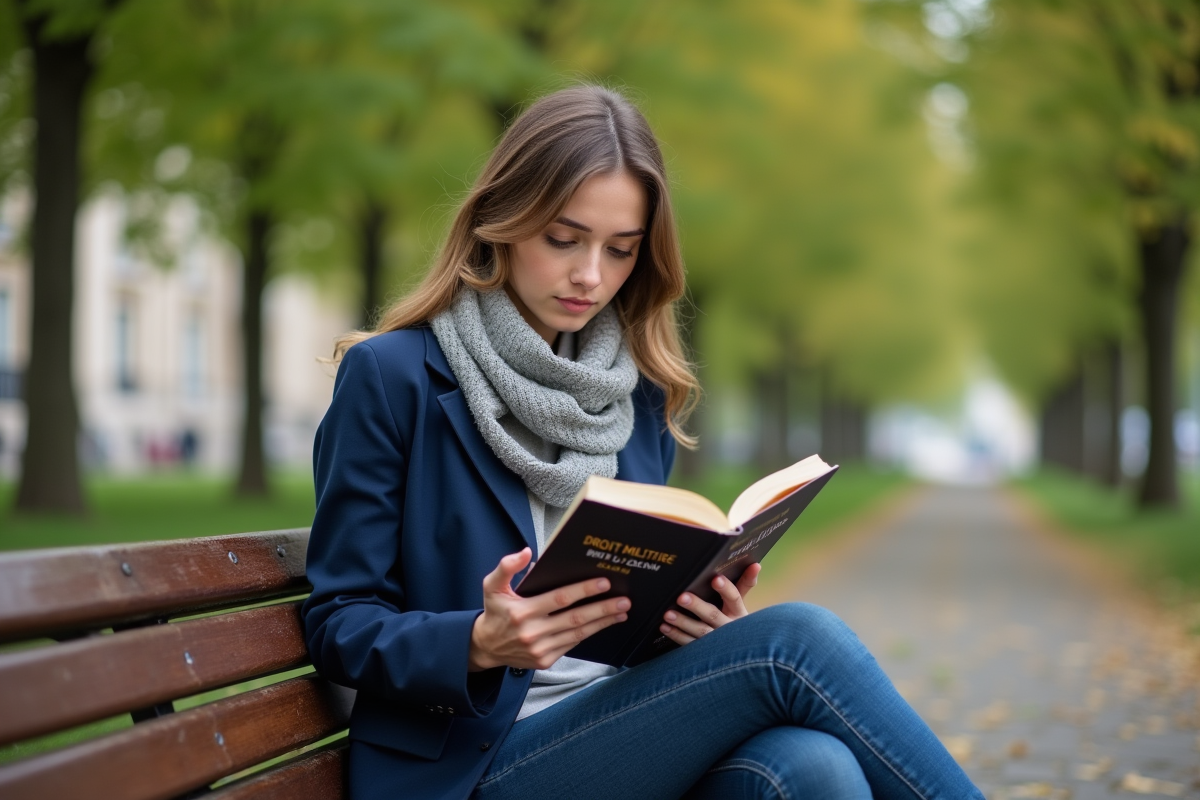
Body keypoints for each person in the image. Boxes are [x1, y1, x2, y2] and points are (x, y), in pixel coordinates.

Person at [302, 85, 983, 800]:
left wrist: (697, 627)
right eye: (563, 239)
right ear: (501, 221)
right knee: (796, 644)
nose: (590, 275)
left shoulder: (636, 395)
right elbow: (339, 624)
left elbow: (626, 610)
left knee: (816, 767)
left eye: (620, 250)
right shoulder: (395, 377)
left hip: (616, 739)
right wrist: (476, 641)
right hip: (471, 764)